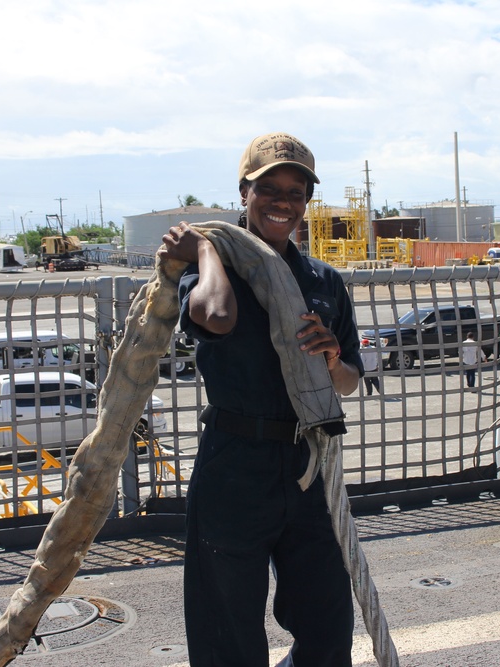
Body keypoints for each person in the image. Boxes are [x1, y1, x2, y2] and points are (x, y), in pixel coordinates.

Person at [160, 132, 363, 667]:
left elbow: (348, 382)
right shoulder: (212, 268)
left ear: (306, 203)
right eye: (268, 188)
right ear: (244, 193)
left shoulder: (324, 281)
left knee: (327, 628)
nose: (282, 201)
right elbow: (216, 318)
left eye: (296, 192)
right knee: (227, 633)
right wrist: (206, 248)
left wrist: (330, 356)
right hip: (236, 464)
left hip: (307, 461)